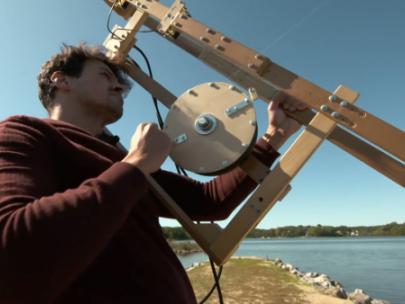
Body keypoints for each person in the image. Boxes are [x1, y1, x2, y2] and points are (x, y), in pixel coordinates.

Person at [0, 44, 306, 304]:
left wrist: (274, 137)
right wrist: (136, 165)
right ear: (61, 80)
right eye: (105, 75)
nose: (120, 86)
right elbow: (13, 252)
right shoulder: (23, 132)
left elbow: (209, 201)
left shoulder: (119, 159)